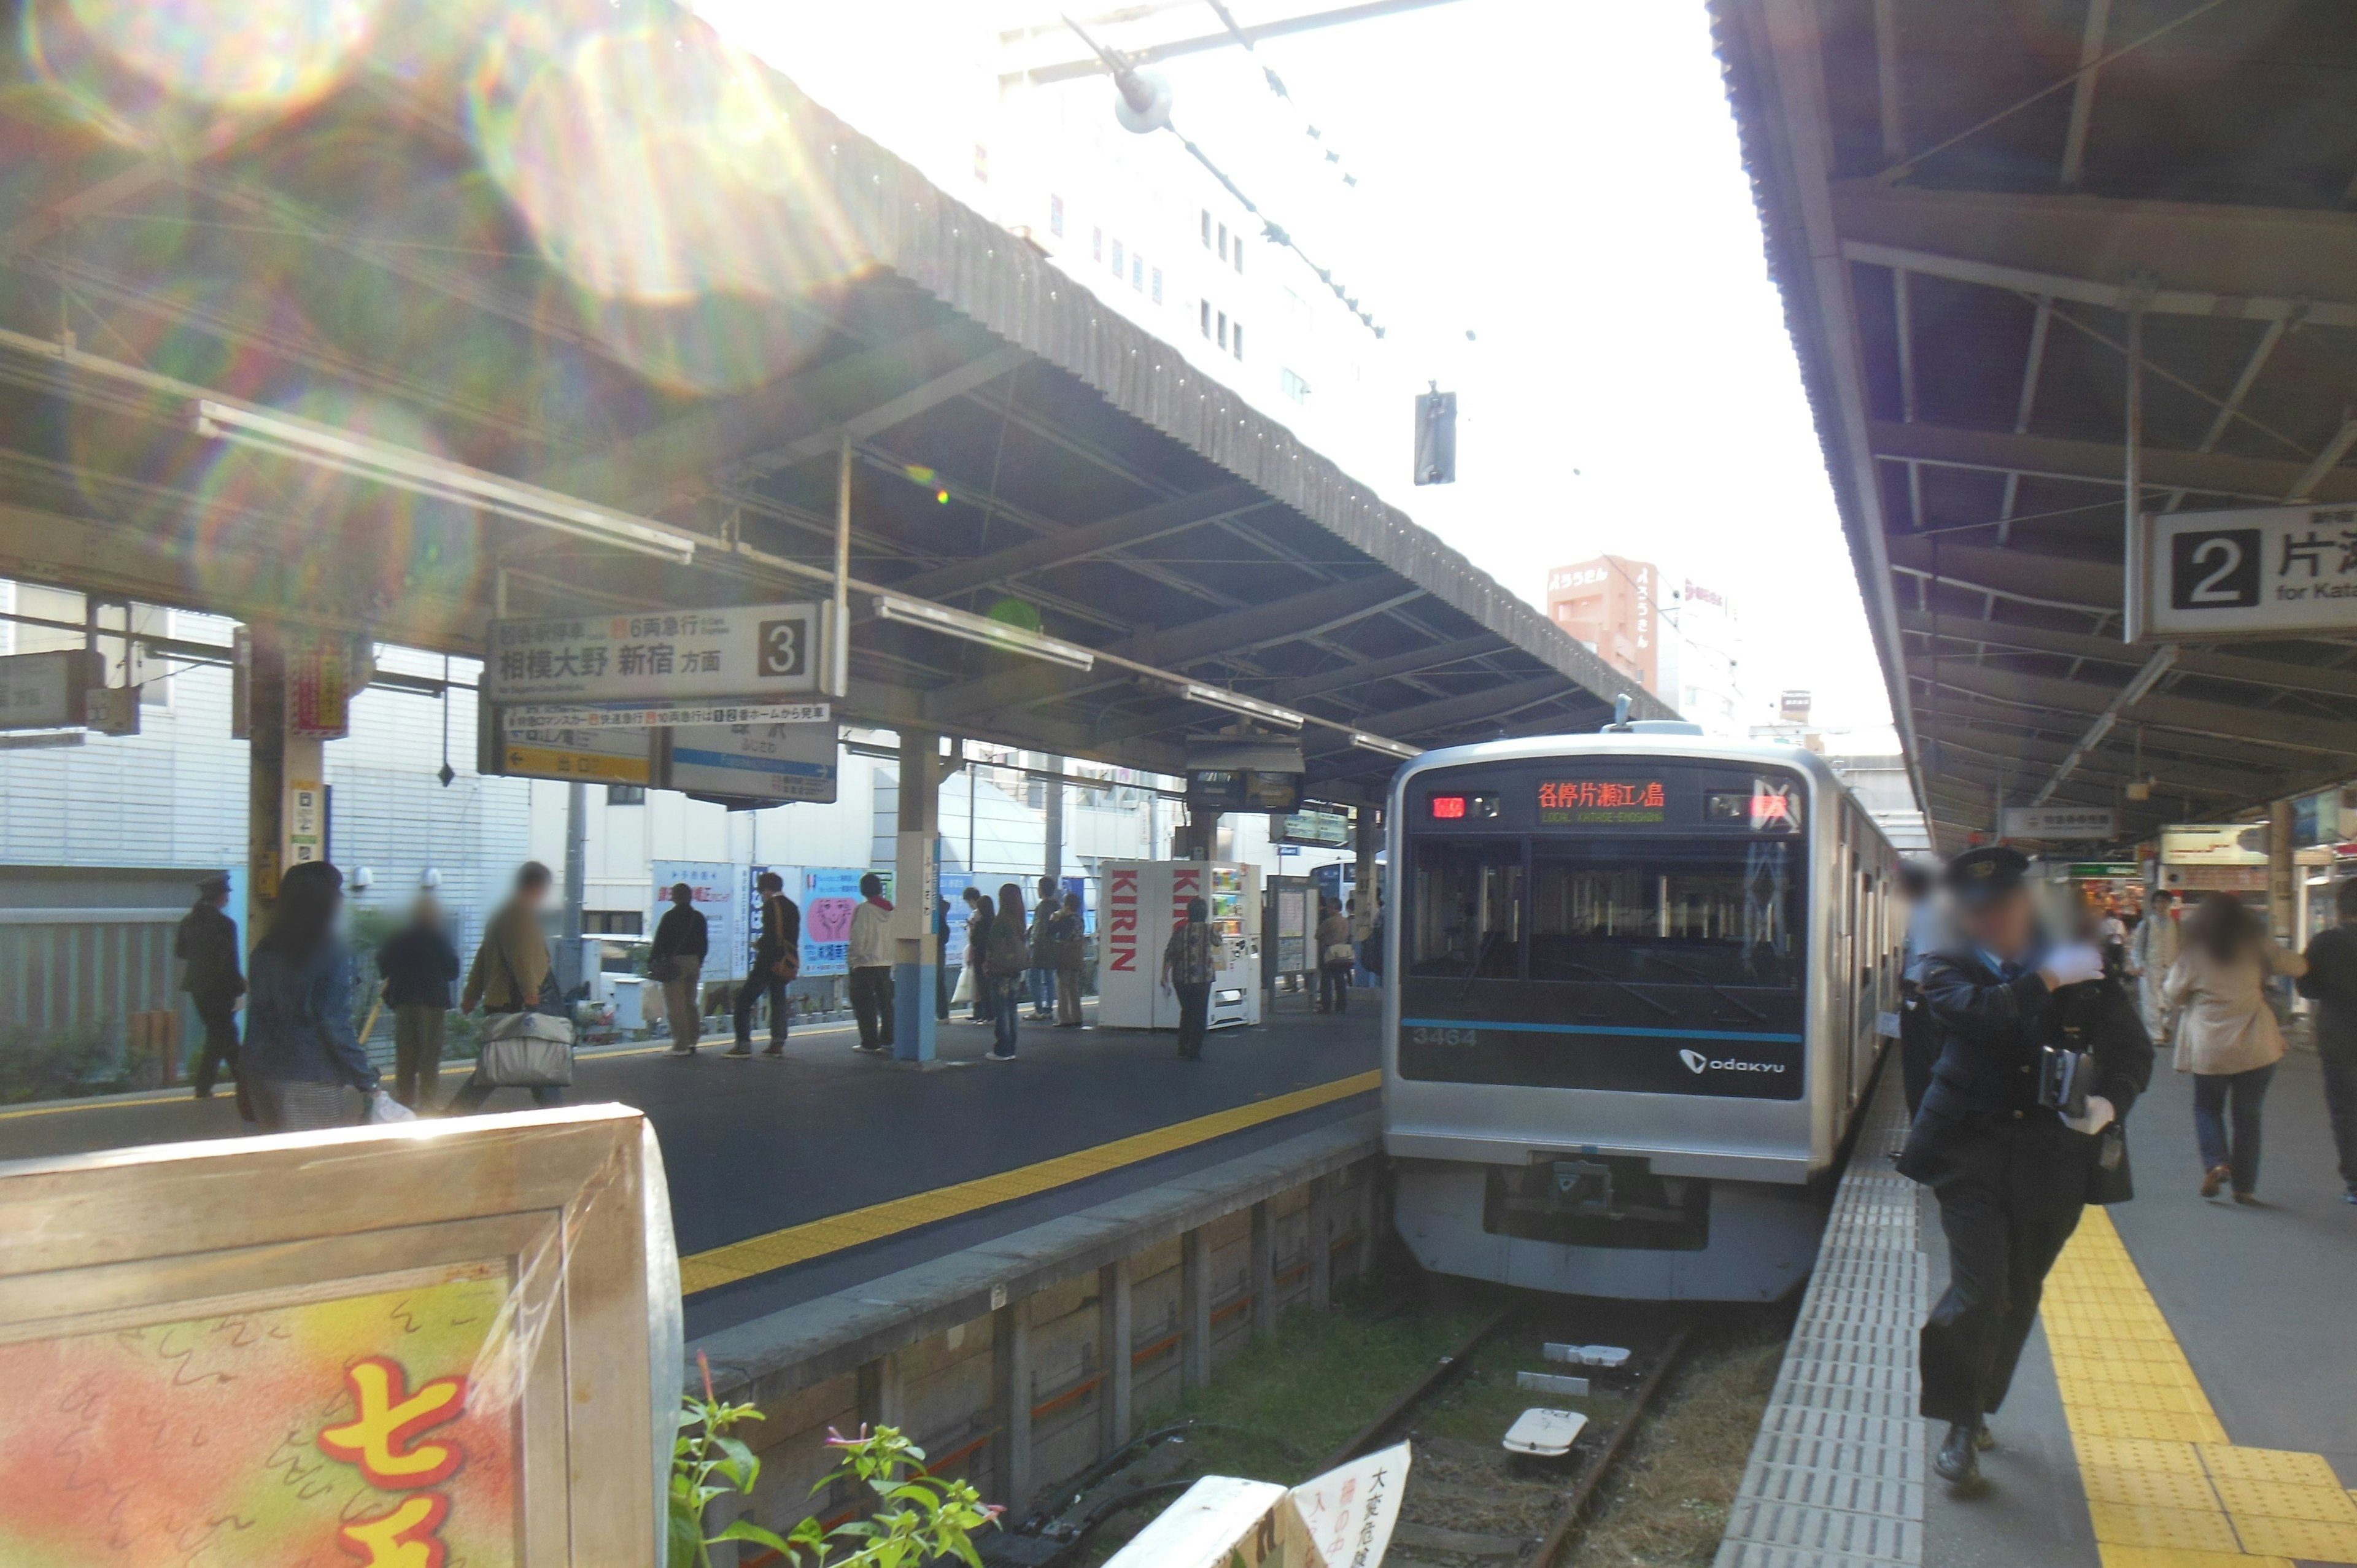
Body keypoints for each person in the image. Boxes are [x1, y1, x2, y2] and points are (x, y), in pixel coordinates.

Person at [1902, 846, 2153, 1490]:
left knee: (2020, 1292)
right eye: (1979, 911)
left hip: (2052, 1156)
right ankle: (1960, 1425)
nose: (1995, 921)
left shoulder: (2080, 959)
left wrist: (2109, 1102)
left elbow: (2132, 1049)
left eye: (2006, 906)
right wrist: (2046, 978)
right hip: (1969, 1149)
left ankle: (1981, 1405)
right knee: (1981, 1287)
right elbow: (1977, 1013)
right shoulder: (1945, 963)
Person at [2159, 893, 2304, 1203]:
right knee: (2248, 1115)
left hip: (2211, 1049)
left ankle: (2217, 1163)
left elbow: (2171, 993)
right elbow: (2297, 966)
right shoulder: (2256, 945)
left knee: (2207, 1108)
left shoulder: (2196, 953)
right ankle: (2245, 1188)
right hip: (2257, 1045)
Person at [242, 860, 382, 1130]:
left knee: (276, 1163)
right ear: (324, 900)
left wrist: (244, 1075)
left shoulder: (264, 951)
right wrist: (366, 1079)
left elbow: (256, 1019)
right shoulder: (330, 952)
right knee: (309, 1164)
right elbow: (333, 1022)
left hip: (261, 1074)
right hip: (310, 1076)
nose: (342, 900)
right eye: (337, 892)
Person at [451, 860, 563, 1111]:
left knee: (502, 1061)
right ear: (537, 887)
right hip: (518, 1000)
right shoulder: (519, 914)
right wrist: (530, 993)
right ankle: (556, 1113)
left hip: (503, 999)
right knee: (531, 1057)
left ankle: (457, 1111)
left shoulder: (503, 913)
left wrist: (472, 995)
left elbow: (483, 958)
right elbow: (521, 957)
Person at [2296, 879, 2357, 1204]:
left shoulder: (2326, 942)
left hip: (2338, 1035)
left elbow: (2306, 988)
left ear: (2339, 909)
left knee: (2346, 1110)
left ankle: (2355, 1181)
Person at [376, 892, 459, 1108]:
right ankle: (427, 1106)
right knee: (429, 1057)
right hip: (432, 1004)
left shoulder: (399, 938)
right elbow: (453, 970)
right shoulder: (438, 939)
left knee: (406, 1057)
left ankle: (404, 1104)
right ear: (432, 914)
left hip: (404, 1002)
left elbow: (383, 964)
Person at [175, 873, 246, 1104]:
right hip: (221, 989)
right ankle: (214, 1086)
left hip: (198, 988)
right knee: (222, 1035)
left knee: (224, 1035)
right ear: (221, 897)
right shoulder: (226, 925)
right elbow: (230, 962)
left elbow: (181, 952)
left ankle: (241, 1083)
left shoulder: (188, 922)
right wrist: (239, 988)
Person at [732, 871, 799, 1058]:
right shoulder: (792, 906)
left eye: (762, 891)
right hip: (786, 961)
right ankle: (778, 1042)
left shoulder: (771, 906)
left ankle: (743, 1045)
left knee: (744, 1001)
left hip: (769, 962)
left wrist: (761, 947)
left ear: (766, 889)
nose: (762, 894)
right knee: (778, 1001)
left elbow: (772, 937)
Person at [1896, 859, 1943, 1117]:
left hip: (1922, 1005)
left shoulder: (1925, 911)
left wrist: (1918, 995)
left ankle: (1920, 1135)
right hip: (1923, 1002)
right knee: (1921, 1069)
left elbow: (1931, 961)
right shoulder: (1927, 907)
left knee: (1918, 1072)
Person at [650, 882, 709, 1056]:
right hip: (694, 962)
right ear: (690, 897)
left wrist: (652, 962)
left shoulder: (670, 917)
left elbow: (660, 943)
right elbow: (704, 943)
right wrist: (699, 961)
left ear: (674, 897)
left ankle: (680, 1045)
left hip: (675, 964)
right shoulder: (698, 917)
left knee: (676, 1005)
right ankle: (693, 1040)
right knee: (691, 1003)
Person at [1163, 895, 1218, 1060]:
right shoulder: (1209, 930)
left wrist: (1164, 976)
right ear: (1205, 913)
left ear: (1189, 913)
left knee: (1187, 1012)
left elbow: (1169, 954)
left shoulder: (1180, 931)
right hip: (1203, 978)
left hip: (1181, 978)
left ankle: (1182, 1046)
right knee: (1200, 1014)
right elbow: (1219, 942)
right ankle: (1194, 1050)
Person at [848, 872, 896, 1054]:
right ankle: (888, 1038)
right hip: (885, 963)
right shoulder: (892, 910)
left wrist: (853, 960)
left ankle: (870, 1042)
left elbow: (858, 938)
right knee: (886, 1003)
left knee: (864, 1004)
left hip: (865, 964)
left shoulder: (864, 910)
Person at [985, 882, 1031, 1060]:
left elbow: (992, 944)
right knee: (1012, 1009)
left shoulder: (1002, 919)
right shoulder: (1019, 919)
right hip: (1016, 969)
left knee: (1002, 1010)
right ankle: (1011, 1047)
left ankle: (1002, 1048)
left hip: (1001, 969)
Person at [2129, 889, 2179, 1036]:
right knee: (2150, 1002)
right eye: (2158, 902)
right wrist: (2138, 964)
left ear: (2170, 904)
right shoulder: (2146, 925)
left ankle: (2167, 1025)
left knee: (2173, 1000)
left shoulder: (2177, 925)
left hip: (2173, 967)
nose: (2162, 905)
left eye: (2165, 902)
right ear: (2153, 905)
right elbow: (2137, 947)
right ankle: (2156, 1034)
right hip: (2150, 967)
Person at [1029, 875, 1061, 1020]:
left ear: (1042, 890)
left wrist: (1032, 942)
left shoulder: (1042, 907)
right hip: (1053, 946)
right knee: (1049, 978)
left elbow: (1040, 928)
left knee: (1034, 978)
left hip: (1040, 947)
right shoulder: (1057, 906)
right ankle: (1048, 1009)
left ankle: (1039, 1009)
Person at [1052, 892, 1086, 1027]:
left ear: (1066, 906)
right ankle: (1077, 1016)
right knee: (1074, 987)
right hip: (1077, 956)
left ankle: (1065, 1018)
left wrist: (1055, 918)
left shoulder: (1065, 920)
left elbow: (1052, 930)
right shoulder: (1080, 920)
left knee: (1063, 987)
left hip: (1065, 956)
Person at [1315, 897, 1353, 1014]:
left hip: (1330, 953)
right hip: (1343, 954)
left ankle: (1326, 1006)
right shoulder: (1345, 921)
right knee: (1340, 980)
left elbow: (1317, 935)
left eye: (1329, 907)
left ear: (1333, 908)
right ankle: (1341, 1006)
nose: (1328, 909)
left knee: (1326, 981)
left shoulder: (1329, 922)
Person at [962, 886, 994, 1024]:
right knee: (987, 987)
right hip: (990, 957)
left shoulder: (980, 921)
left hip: (980, 955)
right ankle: (988, 1014)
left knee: (982, 986)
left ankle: (985, 1014)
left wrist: (973, 928)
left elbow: (975, 940)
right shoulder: (993, 920)